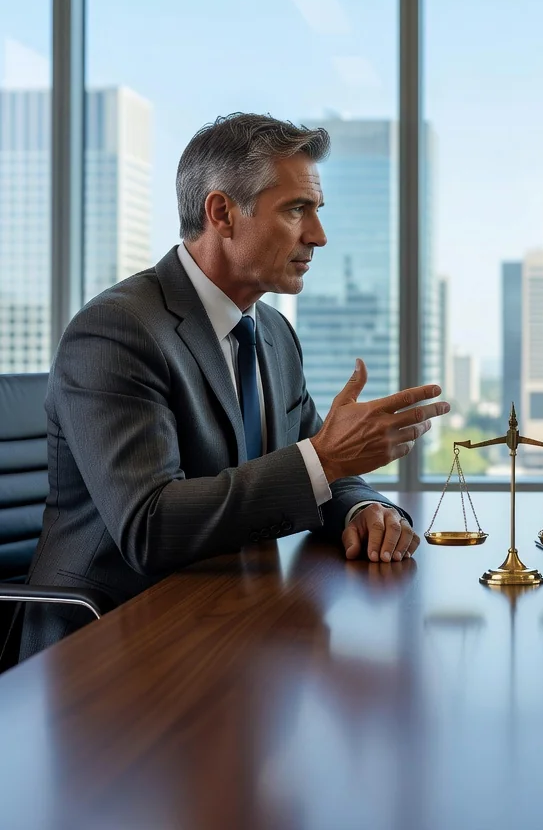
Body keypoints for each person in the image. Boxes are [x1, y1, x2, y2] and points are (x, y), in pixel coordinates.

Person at [20, 113, 448, 659]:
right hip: (109, 642)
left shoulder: (271, 331)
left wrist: (365, 509)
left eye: (316, 211)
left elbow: (320, 467)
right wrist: (324, 460)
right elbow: (148, 526)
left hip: (224, 621)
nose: (317, 235)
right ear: (222, 212)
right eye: (297, 210)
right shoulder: (117, 331)